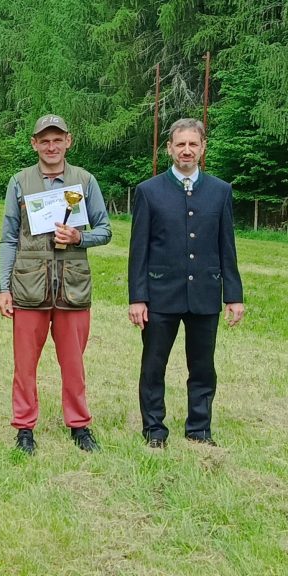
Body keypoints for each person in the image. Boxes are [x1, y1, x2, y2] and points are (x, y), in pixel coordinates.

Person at [0, 114, 112, 455]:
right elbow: (8, 239)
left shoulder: (85, 181)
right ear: (34, 144)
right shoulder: (19, 182)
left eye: (57, 140)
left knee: (74, 363)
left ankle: (79, 425)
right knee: (24, 365)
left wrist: (79, 237)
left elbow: (105, 230)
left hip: (72, 287)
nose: (51, 146)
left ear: (68, 141)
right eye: (44, 140)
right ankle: (24, 427)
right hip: (28, 286)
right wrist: (3, 288)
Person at [128, 118, 244, 448]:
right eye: (180, 144)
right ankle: (154, 429)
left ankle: (199, 429)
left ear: (203, 147)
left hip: (205, 294)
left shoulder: (220, 191)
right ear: (169, 149)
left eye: (193, 144)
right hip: (160, 295)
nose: (187, 150)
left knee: (203, 367)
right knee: (153, 366)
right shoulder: (149, 192)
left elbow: (227, 246)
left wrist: (233, 295)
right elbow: (138, 250)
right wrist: (138, 298)